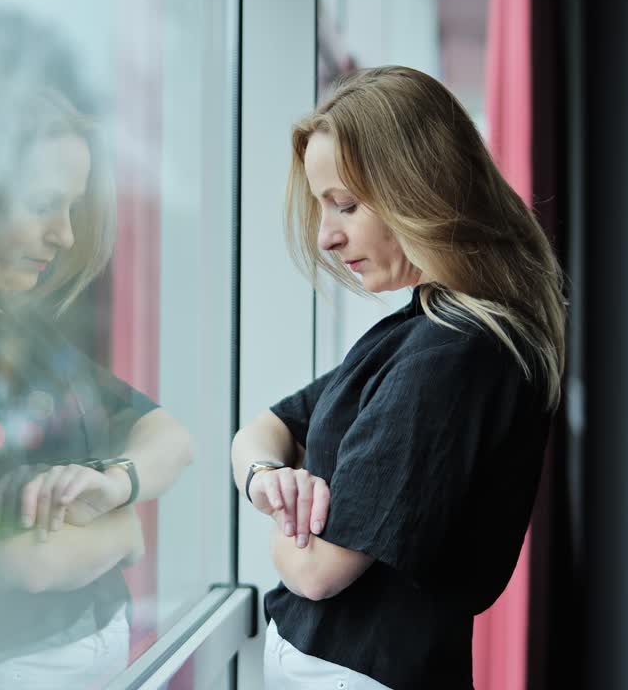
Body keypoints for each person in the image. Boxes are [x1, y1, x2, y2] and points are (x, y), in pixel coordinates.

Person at [230, 65, 565, 690]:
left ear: (420, 187)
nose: (327, 236)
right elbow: (266, 428)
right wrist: (267, 478)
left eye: (347, 205)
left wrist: (280, 525)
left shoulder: (456, 351)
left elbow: (318, 572)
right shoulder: (421, 329)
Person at [0, 10, 193, 689]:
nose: (64, 236)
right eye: (42, 205)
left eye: (72, 208)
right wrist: (125, 530)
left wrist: (114, 484)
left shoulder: (15, 331)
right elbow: (26, 561)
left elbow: (169, 437)